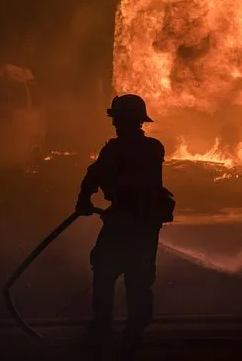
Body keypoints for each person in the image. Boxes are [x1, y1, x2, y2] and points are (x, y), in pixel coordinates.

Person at [75, 94, 174, 347]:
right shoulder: (148, 147)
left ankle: (116, 328)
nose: (116, 125)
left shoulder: (129, 149)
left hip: (133, 220)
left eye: (118, 120)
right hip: (138, 222)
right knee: (122, 274)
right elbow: (93, 175)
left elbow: (100, 176)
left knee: (120, 274)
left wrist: (89, 199)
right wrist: (85, 199)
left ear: (126, 121)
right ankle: (120, 327)